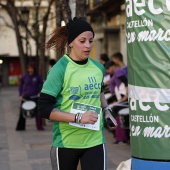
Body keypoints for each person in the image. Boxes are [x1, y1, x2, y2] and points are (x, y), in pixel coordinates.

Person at [38, 17, 116, 170]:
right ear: (71, 42)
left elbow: (99, 91)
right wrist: (79, 118)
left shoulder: (98, 68)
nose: (88, 46)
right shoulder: (59, 69)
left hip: (95, 140)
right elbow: (43, 109)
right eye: (82, 41)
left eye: (91, 41)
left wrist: (107, 111)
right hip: (66, 142)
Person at [16, 63, 44, 131]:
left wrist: (40, 92)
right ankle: (20, 127)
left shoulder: (37, 76)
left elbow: (42, 84)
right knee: (22, 112)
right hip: (26, 96)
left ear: (34, 69)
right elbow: (21, 85)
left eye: (31, 68)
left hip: (35, 96)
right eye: (29, 68)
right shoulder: (25, 76)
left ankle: (39, 126)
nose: (30, 69)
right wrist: (20, 94)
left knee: (38, 112)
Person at [109, 52, 129, 144]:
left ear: (117, 59)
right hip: (122, 96)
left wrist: (126, 95)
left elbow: (125, 82)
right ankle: (121, 137)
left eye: (113, 59)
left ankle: (121, 138)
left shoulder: (119, 71)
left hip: (122, 96)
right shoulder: (124, 69)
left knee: (118, 116)